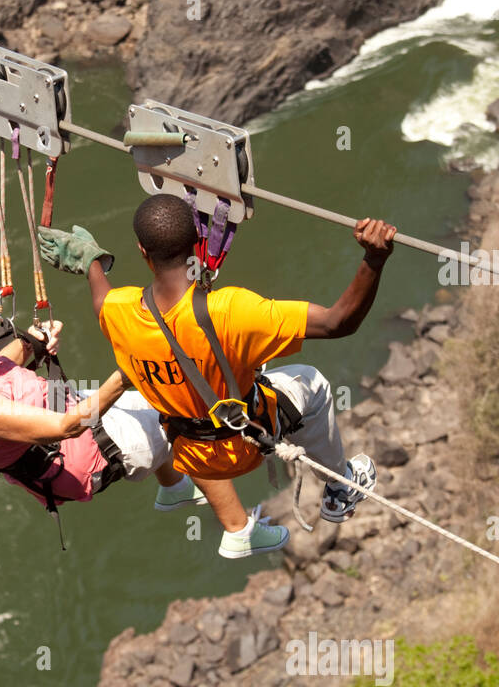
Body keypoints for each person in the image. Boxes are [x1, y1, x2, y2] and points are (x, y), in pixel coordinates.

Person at [37, 194, 397, 558]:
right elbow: (339, 322)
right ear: (197, 241)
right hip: (244, 447)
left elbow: (101, 297)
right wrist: (374, 258)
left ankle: (191, 497)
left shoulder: (118, 313)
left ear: (142, 251)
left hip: (190, 455)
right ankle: (340, 486)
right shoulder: (233, 311)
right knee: (311, 382)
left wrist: (92, 263)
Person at [0, 291, 209, 530]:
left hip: (72, 406)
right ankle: (239, 530)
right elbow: (68, 426)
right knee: (189, 410)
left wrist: (32, 343)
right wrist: (126, 373)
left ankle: (174, 488)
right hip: (92, 445)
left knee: (164, 399)